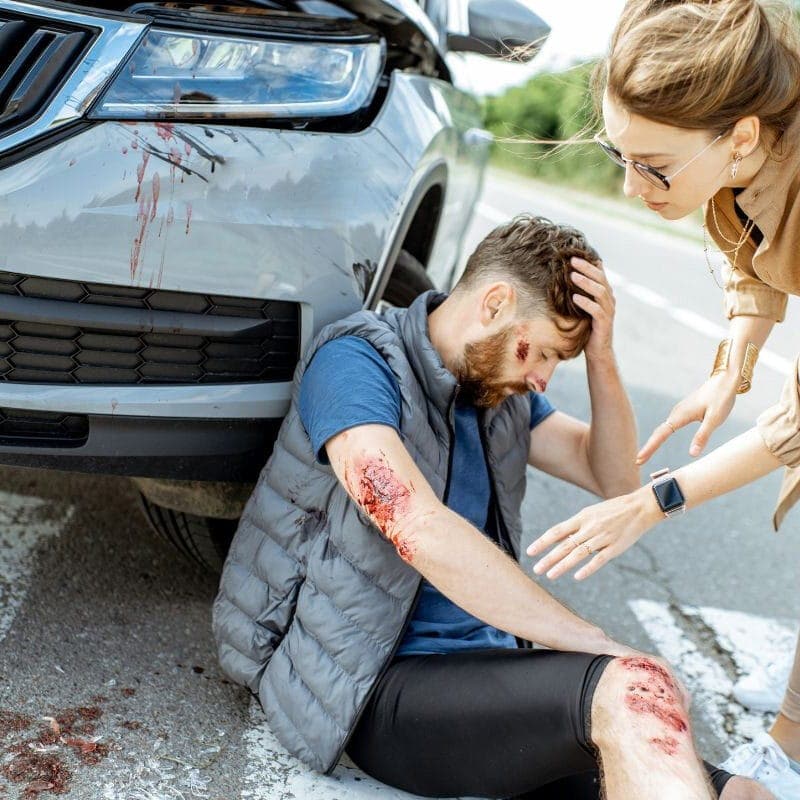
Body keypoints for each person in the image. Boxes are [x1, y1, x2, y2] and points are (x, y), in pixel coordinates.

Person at [212, 215, 762, 799]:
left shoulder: (499, 397)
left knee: (746, 794)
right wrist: (593, 642)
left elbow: (614, 477)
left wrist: (601, 357)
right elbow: (415, 525)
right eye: (543, 351)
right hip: (377, 686)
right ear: (495, 303)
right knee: (632, 691)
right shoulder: (356, 363)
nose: (543, 378)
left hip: (486, 677)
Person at [524, 2, 800, 797]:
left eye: (653, 166)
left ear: (741, 136)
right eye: (620, 154)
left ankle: (789, 751)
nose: (630, 184)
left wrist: (652, 502)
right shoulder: (735, 164)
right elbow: (750, 249)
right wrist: (734, 362)